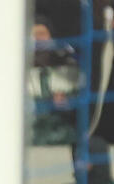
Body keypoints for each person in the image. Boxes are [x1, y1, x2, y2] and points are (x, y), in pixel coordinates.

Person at [28, 16, 79, 146]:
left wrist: (67, 101)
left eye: (41, 34)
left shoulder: (69, 69)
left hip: (64, 138)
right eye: (34, 35)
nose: (38, 39)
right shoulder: (18, 73)